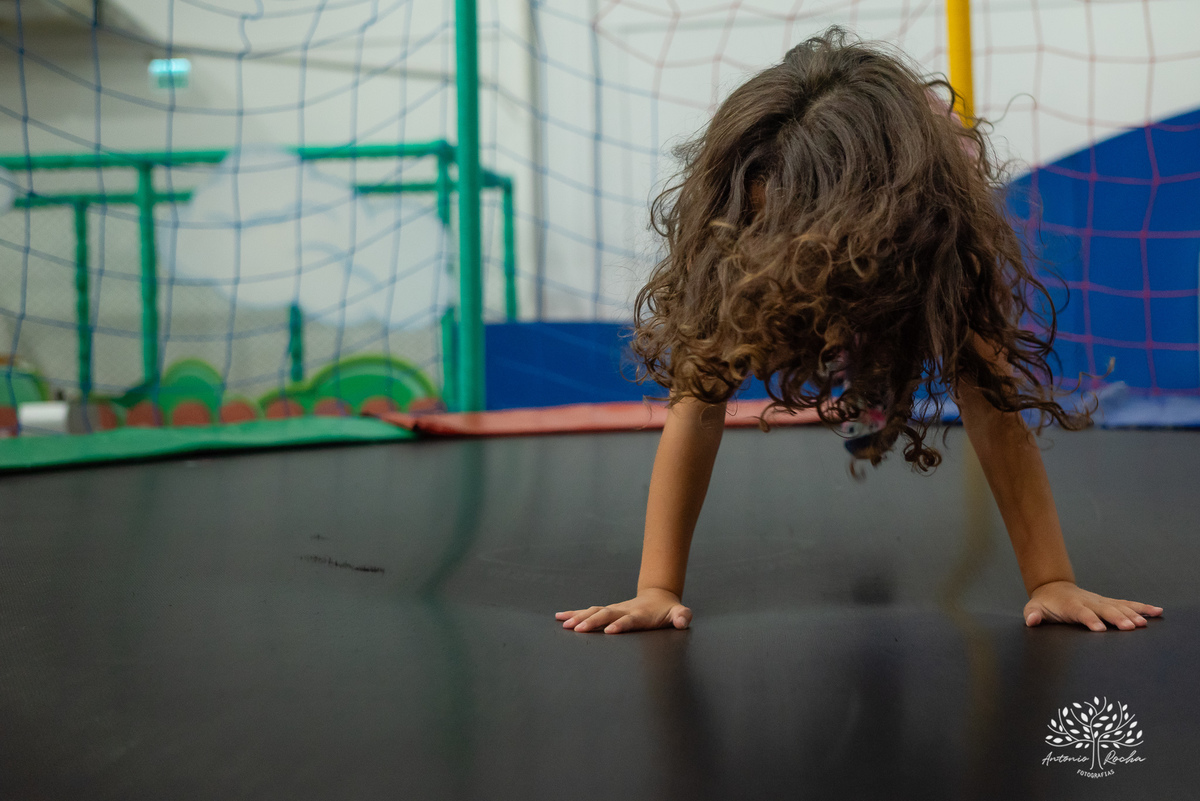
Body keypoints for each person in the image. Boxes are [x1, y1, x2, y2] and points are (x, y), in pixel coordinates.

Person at [554, 26, 1162, 635]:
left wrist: (1050, 578)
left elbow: (991, 401)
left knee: (891, 352)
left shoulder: (934, 237)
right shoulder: (739, 230)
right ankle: (860, 389)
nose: (779, 251)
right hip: (835, 241)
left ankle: (871, 382)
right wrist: (657, 587)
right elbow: (697, 405)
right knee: (799, 341)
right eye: (769, 234)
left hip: (906, 238)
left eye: (797, 241)